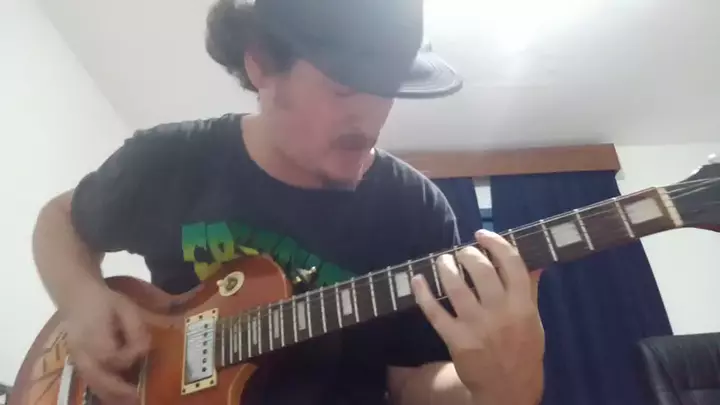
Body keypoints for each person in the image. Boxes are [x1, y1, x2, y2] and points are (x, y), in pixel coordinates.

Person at [32, 0, 545, 404]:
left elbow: (412, 381)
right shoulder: (171, 159)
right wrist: (81, 300)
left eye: (387, 89)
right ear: (261, 65)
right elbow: (60, 221)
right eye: (343, 89)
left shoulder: (417, 211)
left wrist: (501, 387)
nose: (370, 118)